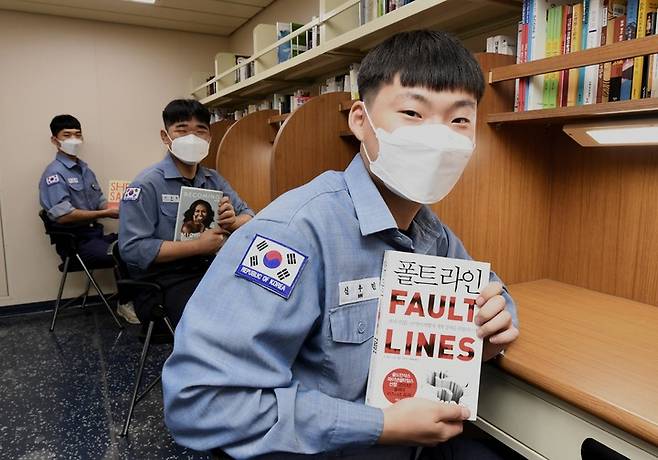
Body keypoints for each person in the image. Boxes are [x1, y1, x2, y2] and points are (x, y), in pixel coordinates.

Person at [162, 31, 520, 459]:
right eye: (412, 113)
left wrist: (496, 324)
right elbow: (199, 402)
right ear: (360, 120)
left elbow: (492, 293)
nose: (438, 139)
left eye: (459, 120)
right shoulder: (289, 234)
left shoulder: (427, 228)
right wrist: (379, 426)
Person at [118, 99, 254, 329]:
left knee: (259, 303)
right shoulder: (146, 185)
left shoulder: (213, 179)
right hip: (164, 281)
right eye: (181, 130)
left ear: (209, 138)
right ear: (165, 136)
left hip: (211, 268)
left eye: (200, 131)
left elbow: (249, 215)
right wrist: (197, 247)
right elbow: (132, 249)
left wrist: (232, 222)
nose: (192, 138)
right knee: (218, 322)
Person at [39, 114, 140, 324]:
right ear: (54, 140)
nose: (73, 140)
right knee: (123, 251)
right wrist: (105, 213)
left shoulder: (86, 170)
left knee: (137, 243)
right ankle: (125, 303)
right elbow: (64, 215)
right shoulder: (54, 174)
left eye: (77, 135)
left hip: (95, 235)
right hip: (75, 243)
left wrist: (123, 205)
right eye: (67, 135)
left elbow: (100, 201)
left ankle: (138, 298)